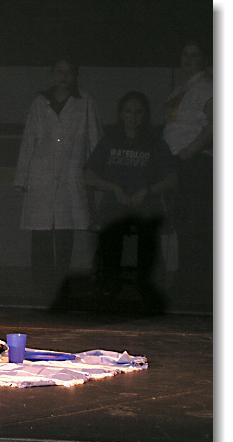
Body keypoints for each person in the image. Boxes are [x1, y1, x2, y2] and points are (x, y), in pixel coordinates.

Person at [13, 57, 102, 302]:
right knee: (40, 231)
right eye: (59, 71)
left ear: (75, 75)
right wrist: (22, 177)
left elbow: (94, 139)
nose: (63, 76)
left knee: (65, 230)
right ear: (52, 74)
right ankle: (41, 284)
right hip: (41, 175)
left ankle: (60, 282)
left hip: (71, 173)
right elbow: (29, 140)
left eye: (68, 72)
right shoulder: (40, 102)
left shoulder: (85, 102)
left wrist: (95, 174)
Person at [85, 91, 177, 312]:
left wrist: (147, 191)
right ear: (121, 114)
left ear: (145, 115)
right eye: (128, 111)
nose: (133, 117)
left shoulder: (155, 143)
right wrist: (114, 188)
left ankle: (147, 289)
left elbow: (172, 178)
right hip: (114, 205)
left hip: (146, 205)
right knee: (110, 238)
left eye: (138, 112)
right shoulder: (109, 140)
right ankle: (108, 288)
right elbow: (88, 175)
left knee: (148, 238)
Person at [162, 39, 213, 297]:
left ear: (204, 60)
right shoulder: (180, 89)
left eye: (194, 55)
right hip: (176, 161)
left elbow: (215, 124)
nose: (188, 59)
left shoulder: (208, 87)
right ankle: (186, 279)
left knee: (196, 221)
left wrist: (189, 152)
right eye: (185, 54)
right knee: (181, 220)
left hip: (195, 161)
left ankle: (197, 283)